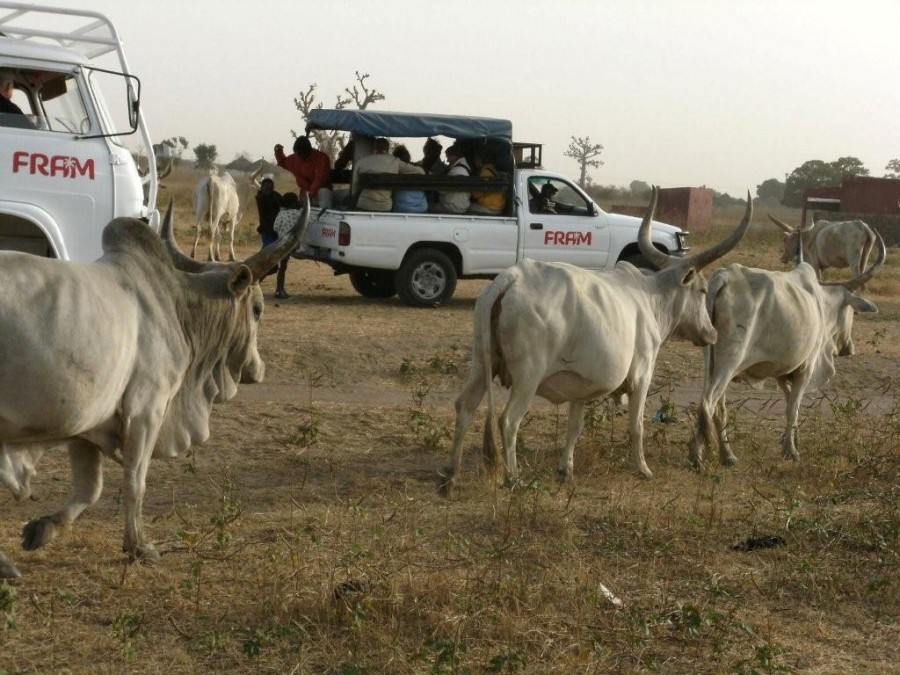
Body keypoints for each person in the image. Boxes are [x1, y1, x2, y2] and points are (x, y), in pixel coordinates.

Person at [354, 137, 424, 212]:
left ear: (374, 148)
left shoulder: (361, 162)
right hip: (385, 207)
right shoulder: (395, 162)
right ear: (388, 149)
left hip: (363, 205)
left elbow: (354, 185)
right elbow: (420, 172)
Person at [254, 176, 290, 298]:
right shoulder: (261, 198)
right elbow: (279, 204)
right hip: (269, 232)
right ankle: (253, 285)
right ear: (262, 188)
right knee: (270, 263)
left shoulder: (272, 196)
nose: (269, 189)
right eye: (266, 187)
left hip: (276, 232)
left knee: (278, 264)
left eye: (271, 187)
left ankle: (279, 289)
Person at [274, 136, 333, 208]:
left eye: (299, 154)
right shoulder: (295, 158)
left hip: (320, 194)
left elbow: (319, 179)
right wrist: (278, 152)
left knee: (324, 192)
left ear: (307, 151)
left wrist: (310, 195)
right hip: (305, 194)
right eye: (296, 153)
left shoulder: (322, 158)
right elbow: (283, 163)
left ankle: (325, 216)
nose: (297, 156)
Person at [430, 143, 471, 214]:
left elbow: (441, 190)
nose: (447, 160)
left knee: (428, 206)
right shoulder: (465, 168)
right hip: (462, 206)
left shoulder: (455, 171)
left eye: (448, 157)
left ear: (453, 157)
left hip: (451, 207)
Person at [390, 145, 428, 213]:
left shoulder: (394, 171)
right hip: (421, 207)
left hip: (400, 208)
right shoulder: (420, 171)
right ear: (408, 157)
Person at [467, 151, 507, 216]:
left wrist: (469, 191)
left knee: (464, 207)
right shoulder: (492, 169)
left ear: (481, 160)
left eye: (476, 159)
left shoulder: (485, 172)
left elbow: (476, 195)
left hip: (490, 208)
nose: (475, 161)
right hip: (498, 206)